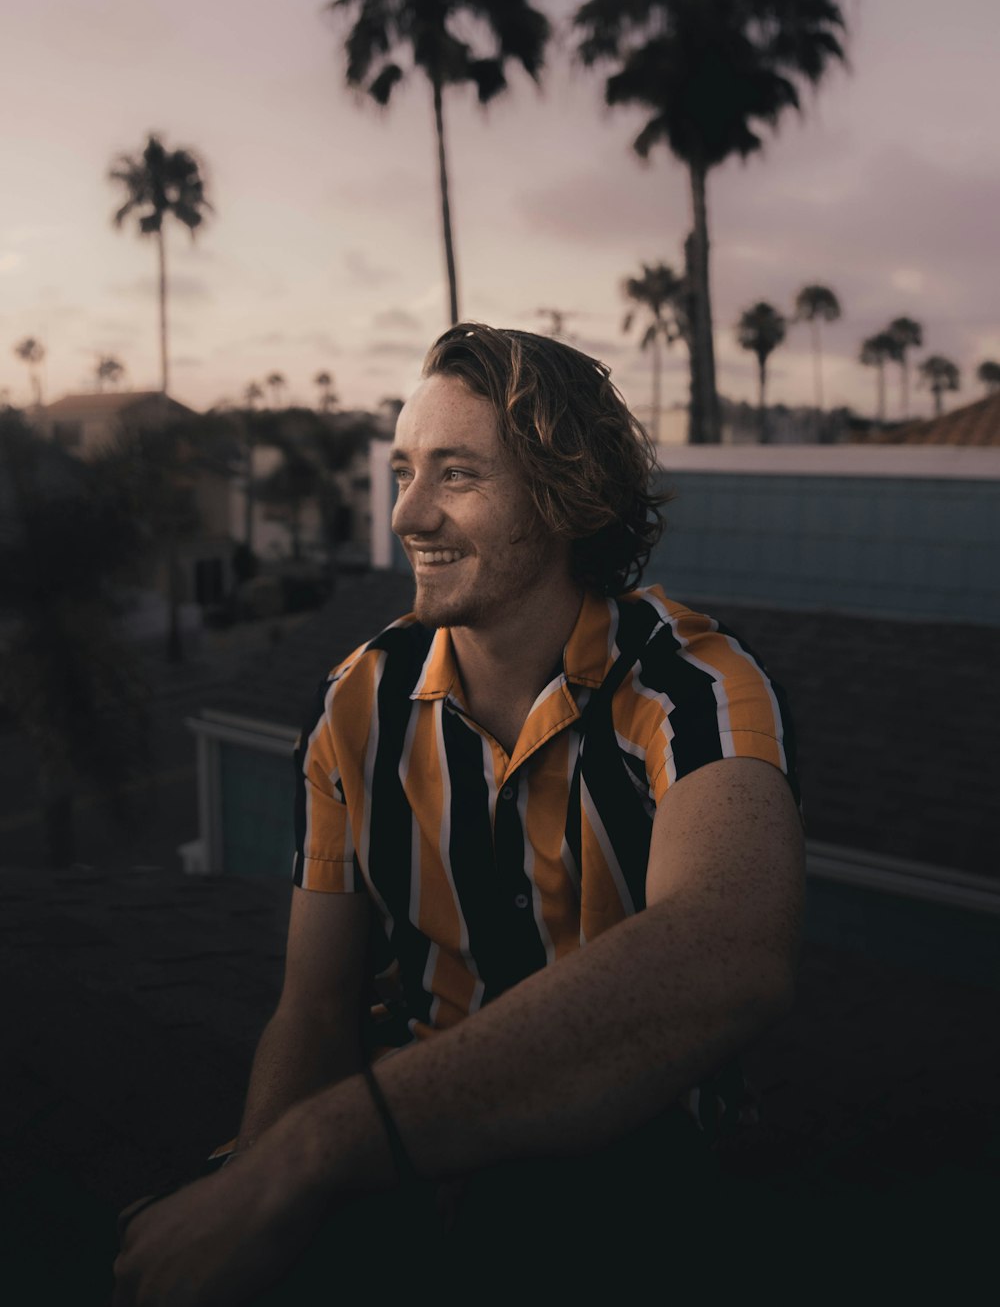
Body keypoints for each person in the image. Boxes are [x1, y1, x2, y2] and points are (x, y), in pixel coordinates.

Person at [114, 324, 803, 1304]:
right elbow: (314, 1005)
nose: (405, 513)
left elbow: (728, 948)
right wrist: (250, 1189)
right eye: (403, 470)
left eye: (457, 474)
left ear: (570, 495)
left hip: (634, 1180)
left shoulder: (692, 687)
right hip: (403, 1170)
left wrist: (314, 1152)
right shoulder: (356, 703)